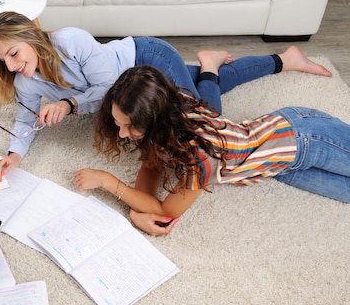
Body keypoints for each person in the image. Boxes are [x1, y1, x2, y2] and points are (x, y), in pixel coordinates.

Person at [0, 11, 332, 180]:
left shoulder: (70, 41)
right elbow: (25, 119)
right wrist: (14, 155)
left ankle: (209, 64)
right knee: (212, 85)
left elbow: (106, 91)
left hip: (147, 59)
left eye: (14, 53)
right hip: (133, 91)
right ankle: (285, 59)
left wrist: (69, 103)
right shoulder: (26, 83)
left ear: (31, 37)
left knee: (204, 118)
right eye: (4, 61)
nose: (12, 65)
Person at [73, 65, 350, 236]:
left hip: (305, 137)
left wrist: (109, 183)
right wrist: (136, 211)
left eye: (130, 127)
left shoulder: (199, 157)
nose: (122, 134)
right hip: (280, 166)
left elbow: (165, 210)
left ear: (154, 119)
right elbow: (151, 168)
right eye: (119, 124)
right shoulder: (164, 121)